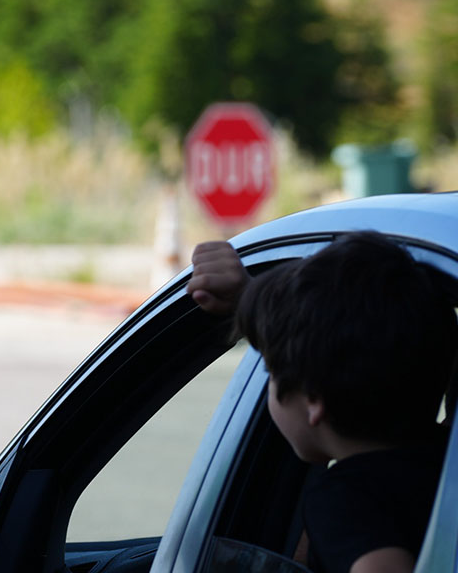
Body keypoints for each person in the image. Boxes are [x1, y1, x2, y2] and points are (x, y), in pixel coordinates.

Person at [188, 233, 455, 573]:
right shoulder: (447, 460)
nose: (268, 378)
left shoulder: (348, 499)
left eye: (271, 369)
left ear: (313, 399)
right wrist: (248, 298)